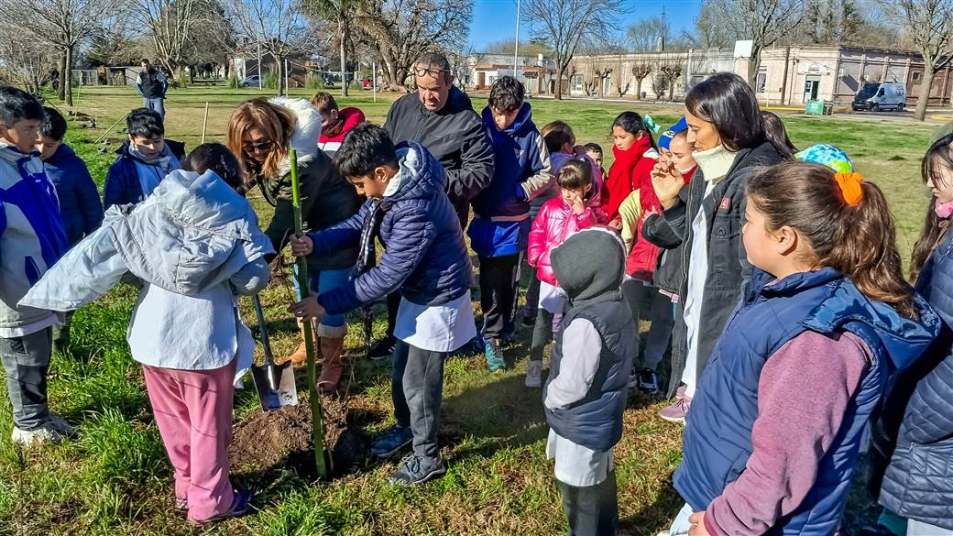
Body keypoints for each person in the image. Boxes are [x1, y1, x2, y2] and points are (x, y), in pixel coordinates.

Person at [665, 161, 940, 536]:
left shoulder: (820, 338)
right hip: (724, 494)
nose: (742, 230)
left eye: (748, 221)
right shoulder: (782, 290)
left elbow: (783, 462)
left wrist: (722, 525)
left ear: (785, 238)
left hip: (758, 522)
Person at [289, 124, 475, 485]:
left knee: (419, 383)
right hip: (418, 291)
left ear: (381, 172)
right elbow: (362, 221)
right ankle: (407, 428)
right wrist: (318, 242)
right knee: (402, 369)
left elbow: (385, 277)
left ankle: (427, 457)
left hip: (437, 298)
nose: (359, 193)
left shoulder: (414, 209)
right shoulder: (393, 186)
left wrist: (325, 303)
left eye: (360, 185)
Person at [644, 72, 787, 424]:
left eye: (696, 129)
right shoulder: (711, 171)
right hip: (703, 300)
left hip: (728, 316)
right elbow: (690, 239)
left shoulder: (754, 180)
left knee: (723, 416)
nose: (690, 141)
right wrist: (672, 202)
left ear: (726, 124)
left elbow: (755, 273)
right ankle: (693, 394)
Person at [226, 98, 361, 392]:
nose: (257, 152)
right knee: (304, 288)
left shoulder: (302, 164)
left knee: (328, 297)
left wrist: (257, 259)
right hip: (306, 230)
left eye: (263, 144)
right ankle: (308, 345)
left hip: (337, 228)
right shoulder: (259, 155)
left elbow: (284, 221)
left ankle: (332, 363)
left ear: (278, 132)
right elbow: (242, 181)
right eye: (249, 146)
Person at [372, 52, 494, 359]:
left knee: (440, 276)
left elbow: (481, 171)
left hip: (441, 215)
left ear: (450, 82)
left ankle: (454, 337)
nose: (428, 95)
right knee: (397, 269)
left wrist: (436, 181)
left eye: (436, 89)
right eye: (422, 88)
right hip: (397, 211)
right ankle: (397, 334)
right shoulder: (402, 106)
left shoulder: (466, 121)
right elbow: (385, 145)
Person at [876, 133, 953, 536]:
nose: (928, 183)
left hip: (937, 432)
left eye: (937, 173)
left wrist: (915, 415)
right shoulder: (946, 235)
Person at [543, 227, 637, 536]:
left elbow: (573, 384)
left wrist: (550, 396)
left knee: (579, 494)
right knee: (600, 482)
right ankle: (607, 528)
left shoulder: (584, 324)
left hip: (581, 425)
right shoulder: (616, 303)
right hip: (600, 419)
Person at [0, 86, 72, 446]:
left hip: (44, 282)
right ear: (2, 127)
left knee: (39, 353)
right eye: (29, 128)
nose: (37, 136)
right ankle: (27, 424)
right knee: (23, 356)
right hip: (16, 292)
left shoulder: (29, 161)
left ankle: (39, 412)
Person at [469, 76, 552, 371]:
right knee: (489, 280)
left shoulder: (531, 136)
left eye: (509, 113)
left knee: (508, 281)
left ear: (520, 108)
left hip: (513, 223)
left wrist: (521, 190)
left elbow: (545, 173)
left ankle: (499, 333)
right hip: (485, 220)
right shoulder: (478, 128)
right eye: (497, 111)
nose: (502, 119)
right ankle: (492, 333)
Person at [619, 117, 692, 394]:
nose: (666, 160)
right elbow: (633, 205)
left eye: (675, 155)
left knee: (665, 319)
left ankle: (650, 364)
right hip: (639, 262)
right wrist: (624, 227)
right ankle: (627, 363)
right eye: (664, 153)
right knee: (629, 314)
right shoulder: (653, 179)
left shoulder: (693, 187)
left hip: (671, 272)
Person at [526, 160, 603, 388]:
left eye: (573, 189)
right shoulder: (550, 207)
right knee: (543, 320)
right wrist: (536, 257)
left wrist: (582, 215)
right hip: (550, 276)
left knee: (571, 323)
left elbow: (593, 238)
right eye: (564, 189)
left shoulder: (593, 212)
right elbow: (537, 231)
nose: (567, 194)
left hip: (575, 280)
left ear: (587, 187)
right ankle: (535, 364)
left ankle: (563, 365)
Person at [37, 106, 104, 353]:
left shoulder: (73, 167)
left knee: (64, 299)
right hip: (34, 248)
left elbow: (91, 206)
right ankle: (36, 343)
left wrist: (94, 240)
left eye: (50, 145)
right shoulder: (18, 165)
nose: (42, 150)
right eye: (38, 143)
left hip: (68, 246)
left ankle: (59, 342)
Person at [103, 108, 185, 210]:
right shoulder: (121, 169)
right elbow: (112, 210)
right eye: (145, 143)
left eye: (157, 141)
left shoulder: (178, 155)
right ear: (132, 138)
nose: (152, 147)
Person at [603, 112, 659, 228]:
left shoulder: (649, 161)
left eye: (623, 137)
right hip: (613, 217)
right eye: (615, 137)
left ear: (638, 135)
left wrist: (623, 218)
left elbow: (645, 199)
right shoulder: (622, 156)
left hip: (634, 222)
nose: (618, 142)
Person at [311, 91, 366, 156]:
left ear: (334, 114)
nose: (319, 126)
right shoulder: (314, 136)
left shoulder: (354, 137)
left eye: (322, 121)